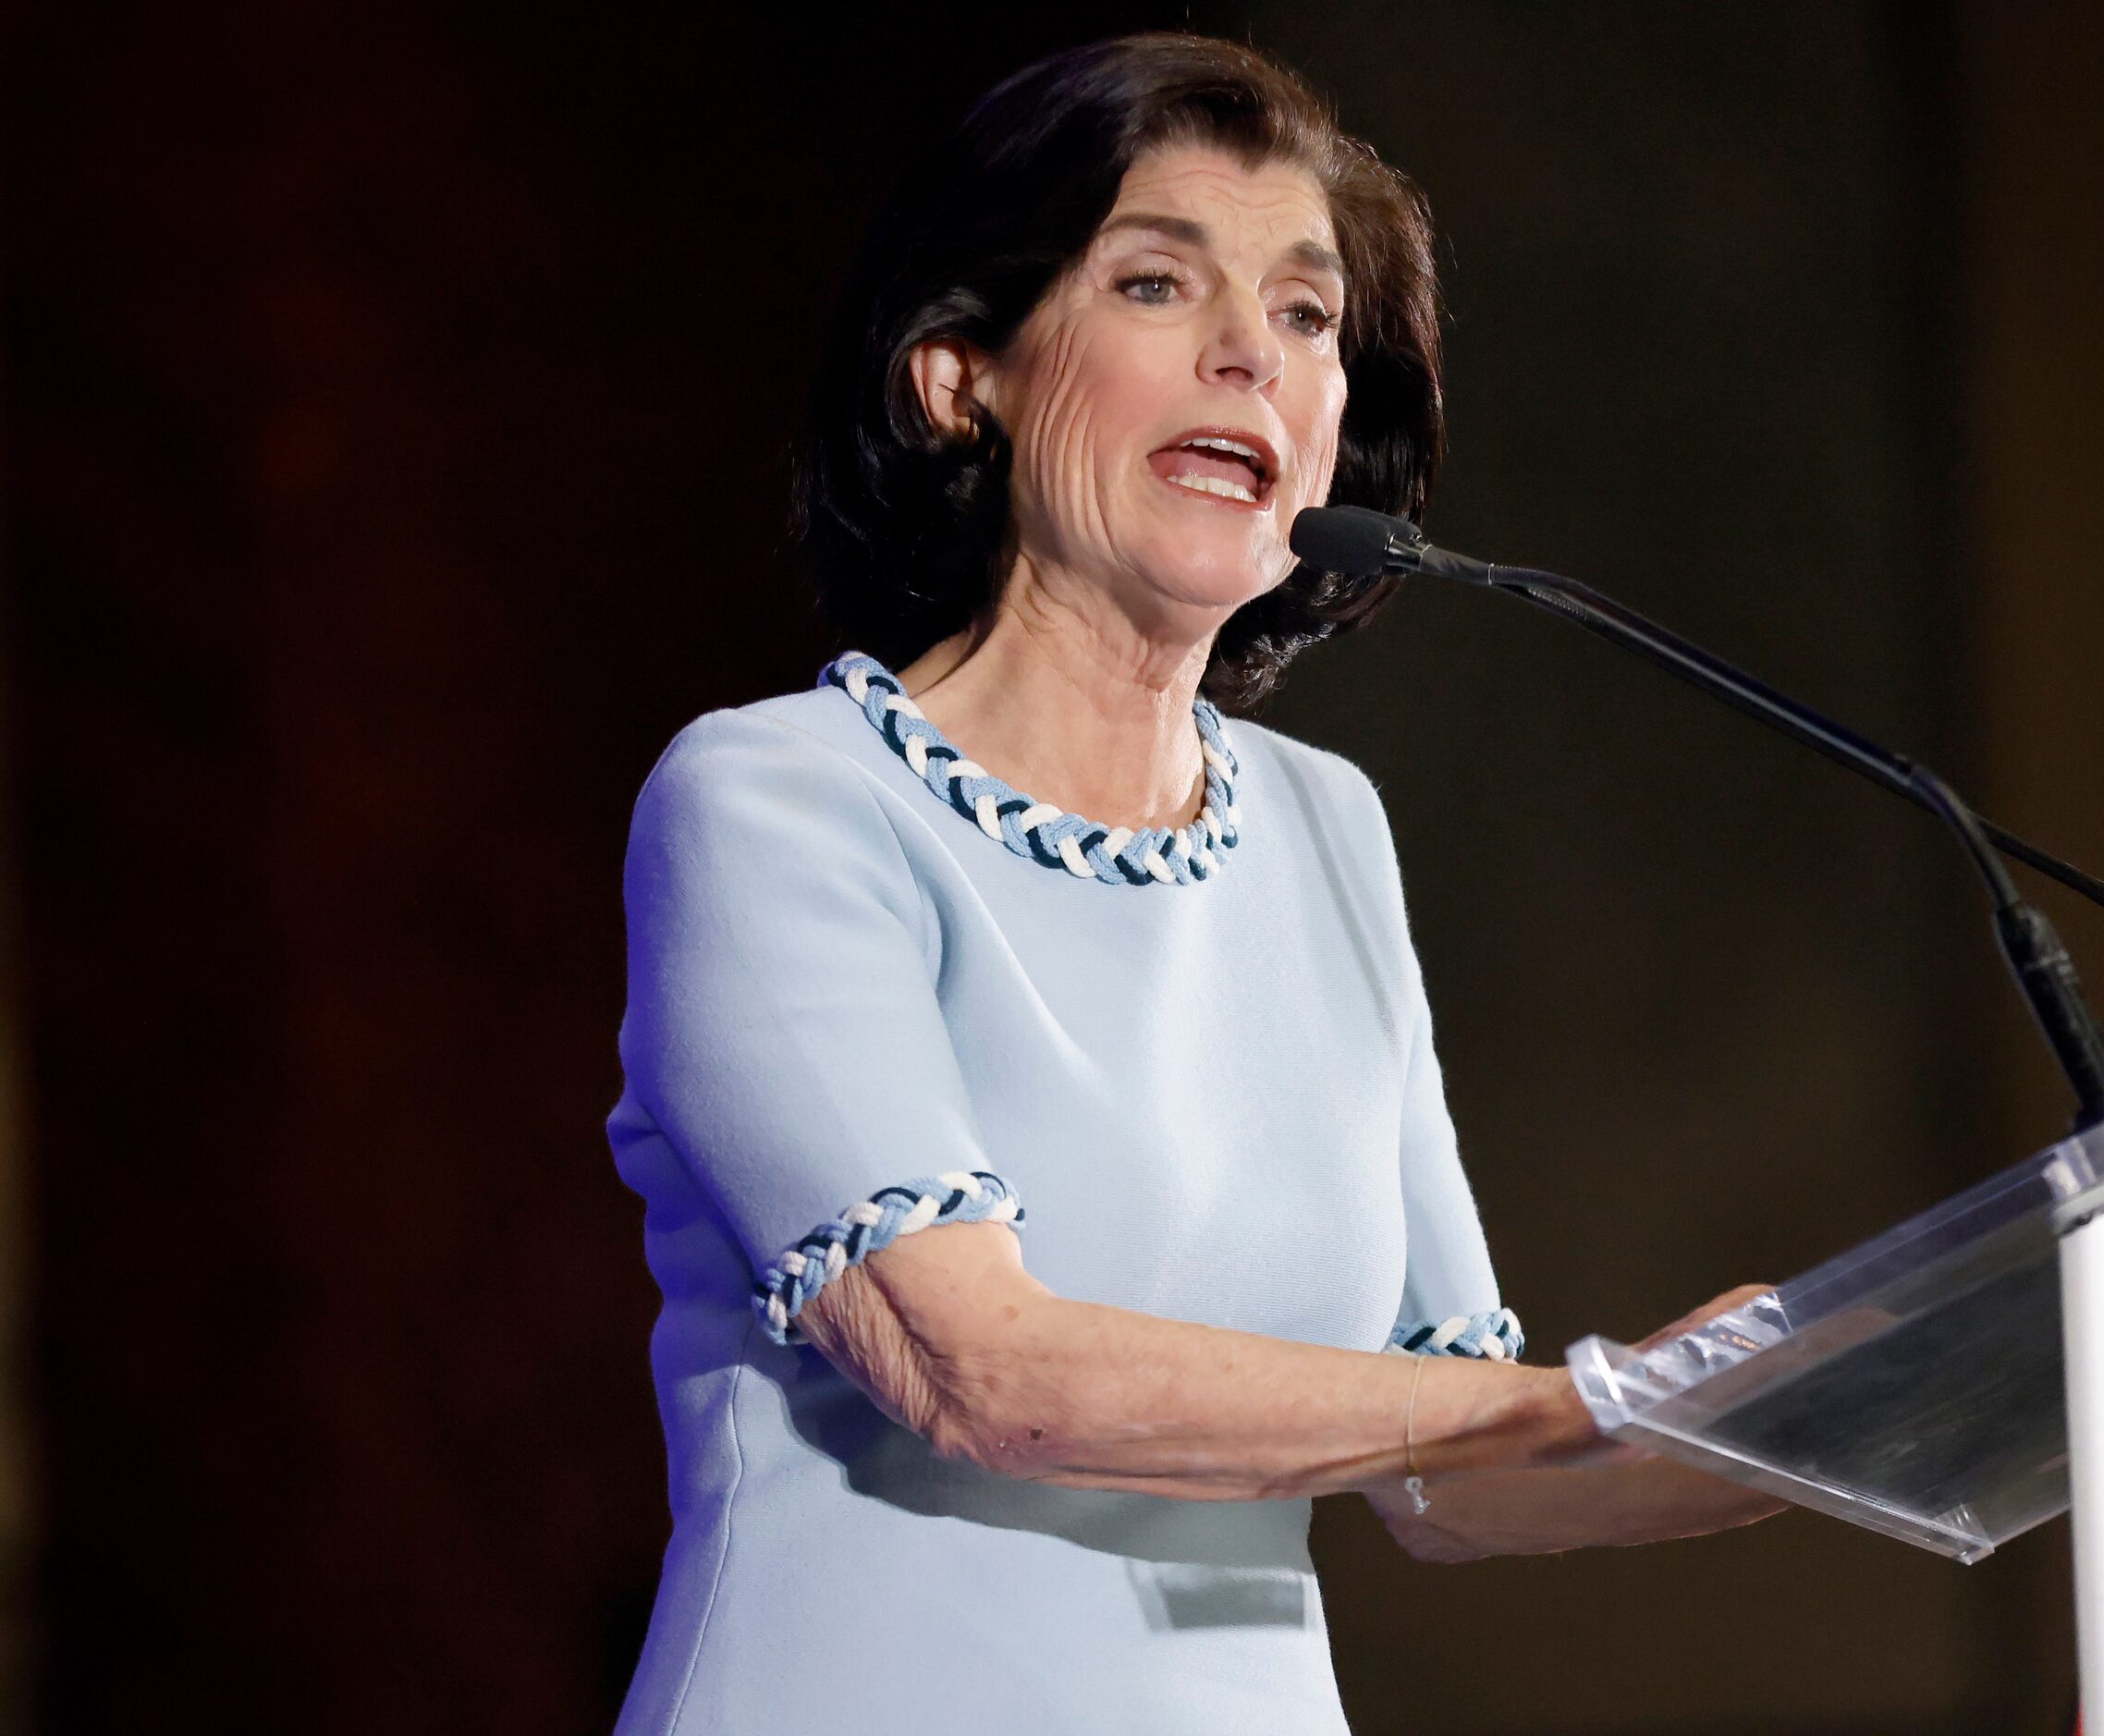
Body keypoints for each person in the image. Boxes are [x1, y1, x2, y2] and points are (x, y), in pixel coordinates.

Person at [606, 31, 1780, 1734]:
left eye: (1307, 317)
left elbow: (1450, 1472)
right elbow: (977, 1371)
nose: (1253, 353)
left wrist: (1788, 1422)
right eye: (1158, 284)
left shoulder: (1327, 829)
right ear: (960, 377)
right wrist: (1562, 1407)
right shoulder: (776, 804)